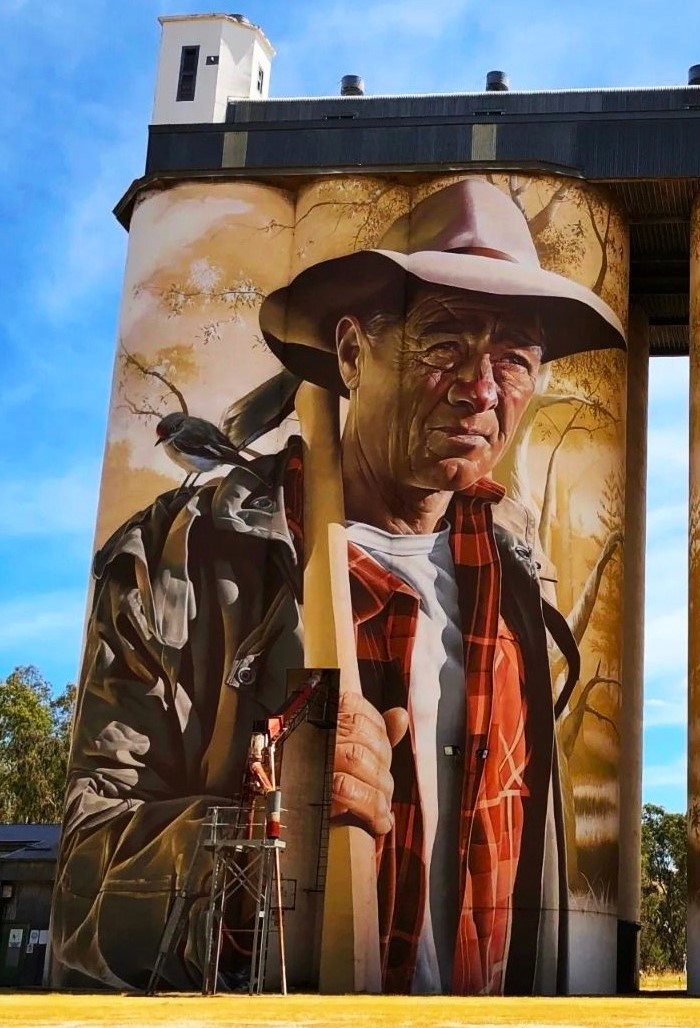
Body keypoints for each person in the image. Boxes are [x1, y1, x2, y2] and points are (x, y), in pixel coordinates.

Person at [51, 178, 624, 995]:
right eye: (445, 345)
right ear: (352, 353)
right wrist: (264, 827)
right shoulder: (183, 562)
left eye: (515, 360)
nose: (483, 390)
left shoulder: (518, 587)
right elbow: (80, 890)